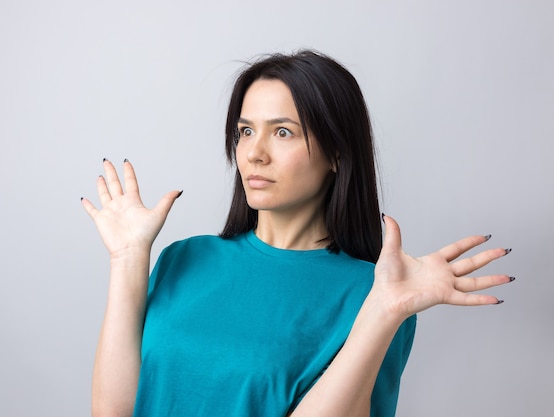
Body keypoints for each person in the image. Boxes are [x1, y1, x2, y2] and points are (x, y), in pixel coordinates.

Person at [81, 50, 513, 417]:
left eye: (282, 132)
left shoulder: (378, 292)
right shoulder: (184, 259)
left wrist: (383, 311)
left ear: (337, 154)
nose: (254, 153)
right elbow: (113, 411)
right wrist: (127, 259)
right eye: (245, 131)